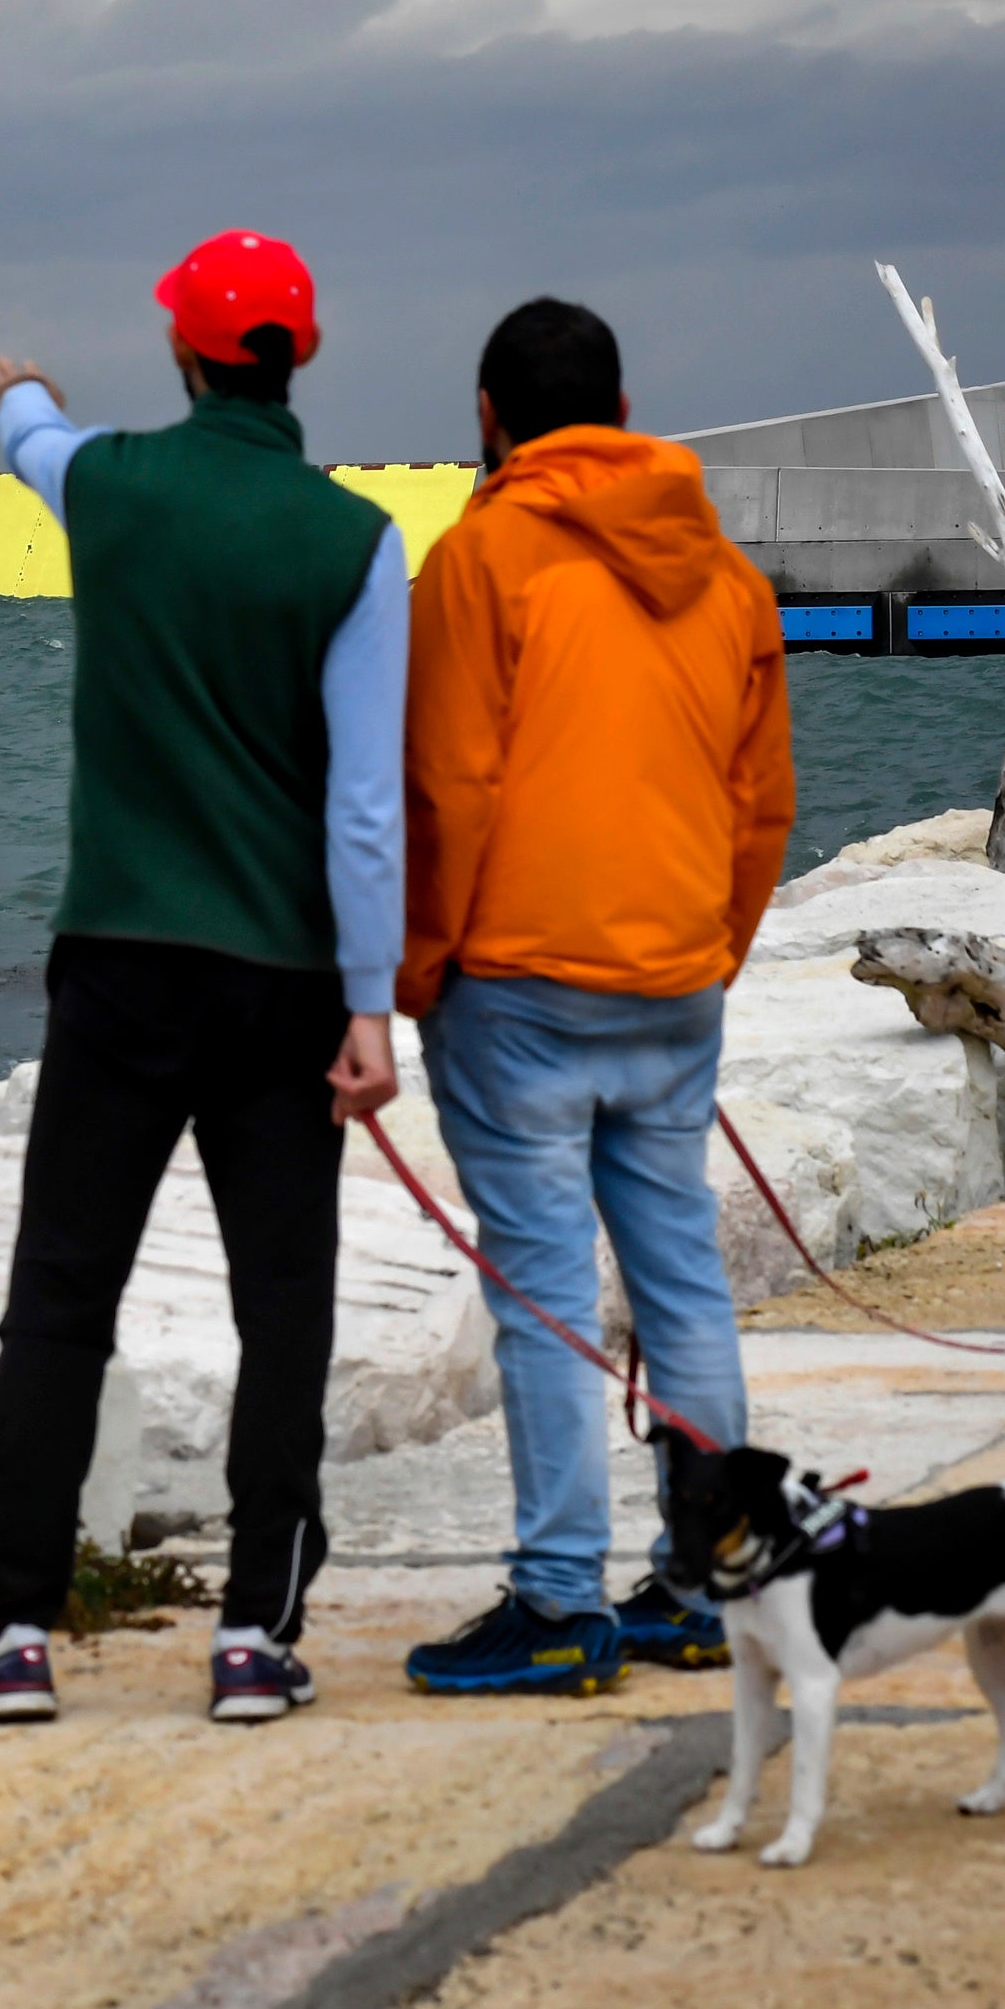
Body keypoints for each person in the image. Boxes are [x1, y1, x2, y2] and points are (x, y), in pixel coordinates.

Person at [0, 229, 406, 1727]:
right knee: (284, 1306)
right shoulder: (355, 541)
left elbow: (38, 445)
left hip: (117, 962)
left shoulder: (110, 488)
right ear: (298, 357)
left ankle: (11, 1627)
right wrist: (369, 1002)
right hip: (283, 980)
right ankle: (257, 1632)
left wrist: (23, 391)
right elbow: (366, 801)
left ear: (185, 353)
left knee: (61, 1297)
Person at [396, 297, 794, 1697]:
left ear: (493, 416)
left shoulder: (480, 557)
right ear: (622, 414)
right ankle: (706, 1580)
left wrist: (417, 966)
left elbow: (448, 785)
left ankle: (559, 1598)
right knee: (683, 1278)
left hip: (520, 986)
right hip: (676, 980)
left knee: (548, 1295)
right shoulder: (726, 574)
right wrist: (711, 947)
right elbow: (762, 803)